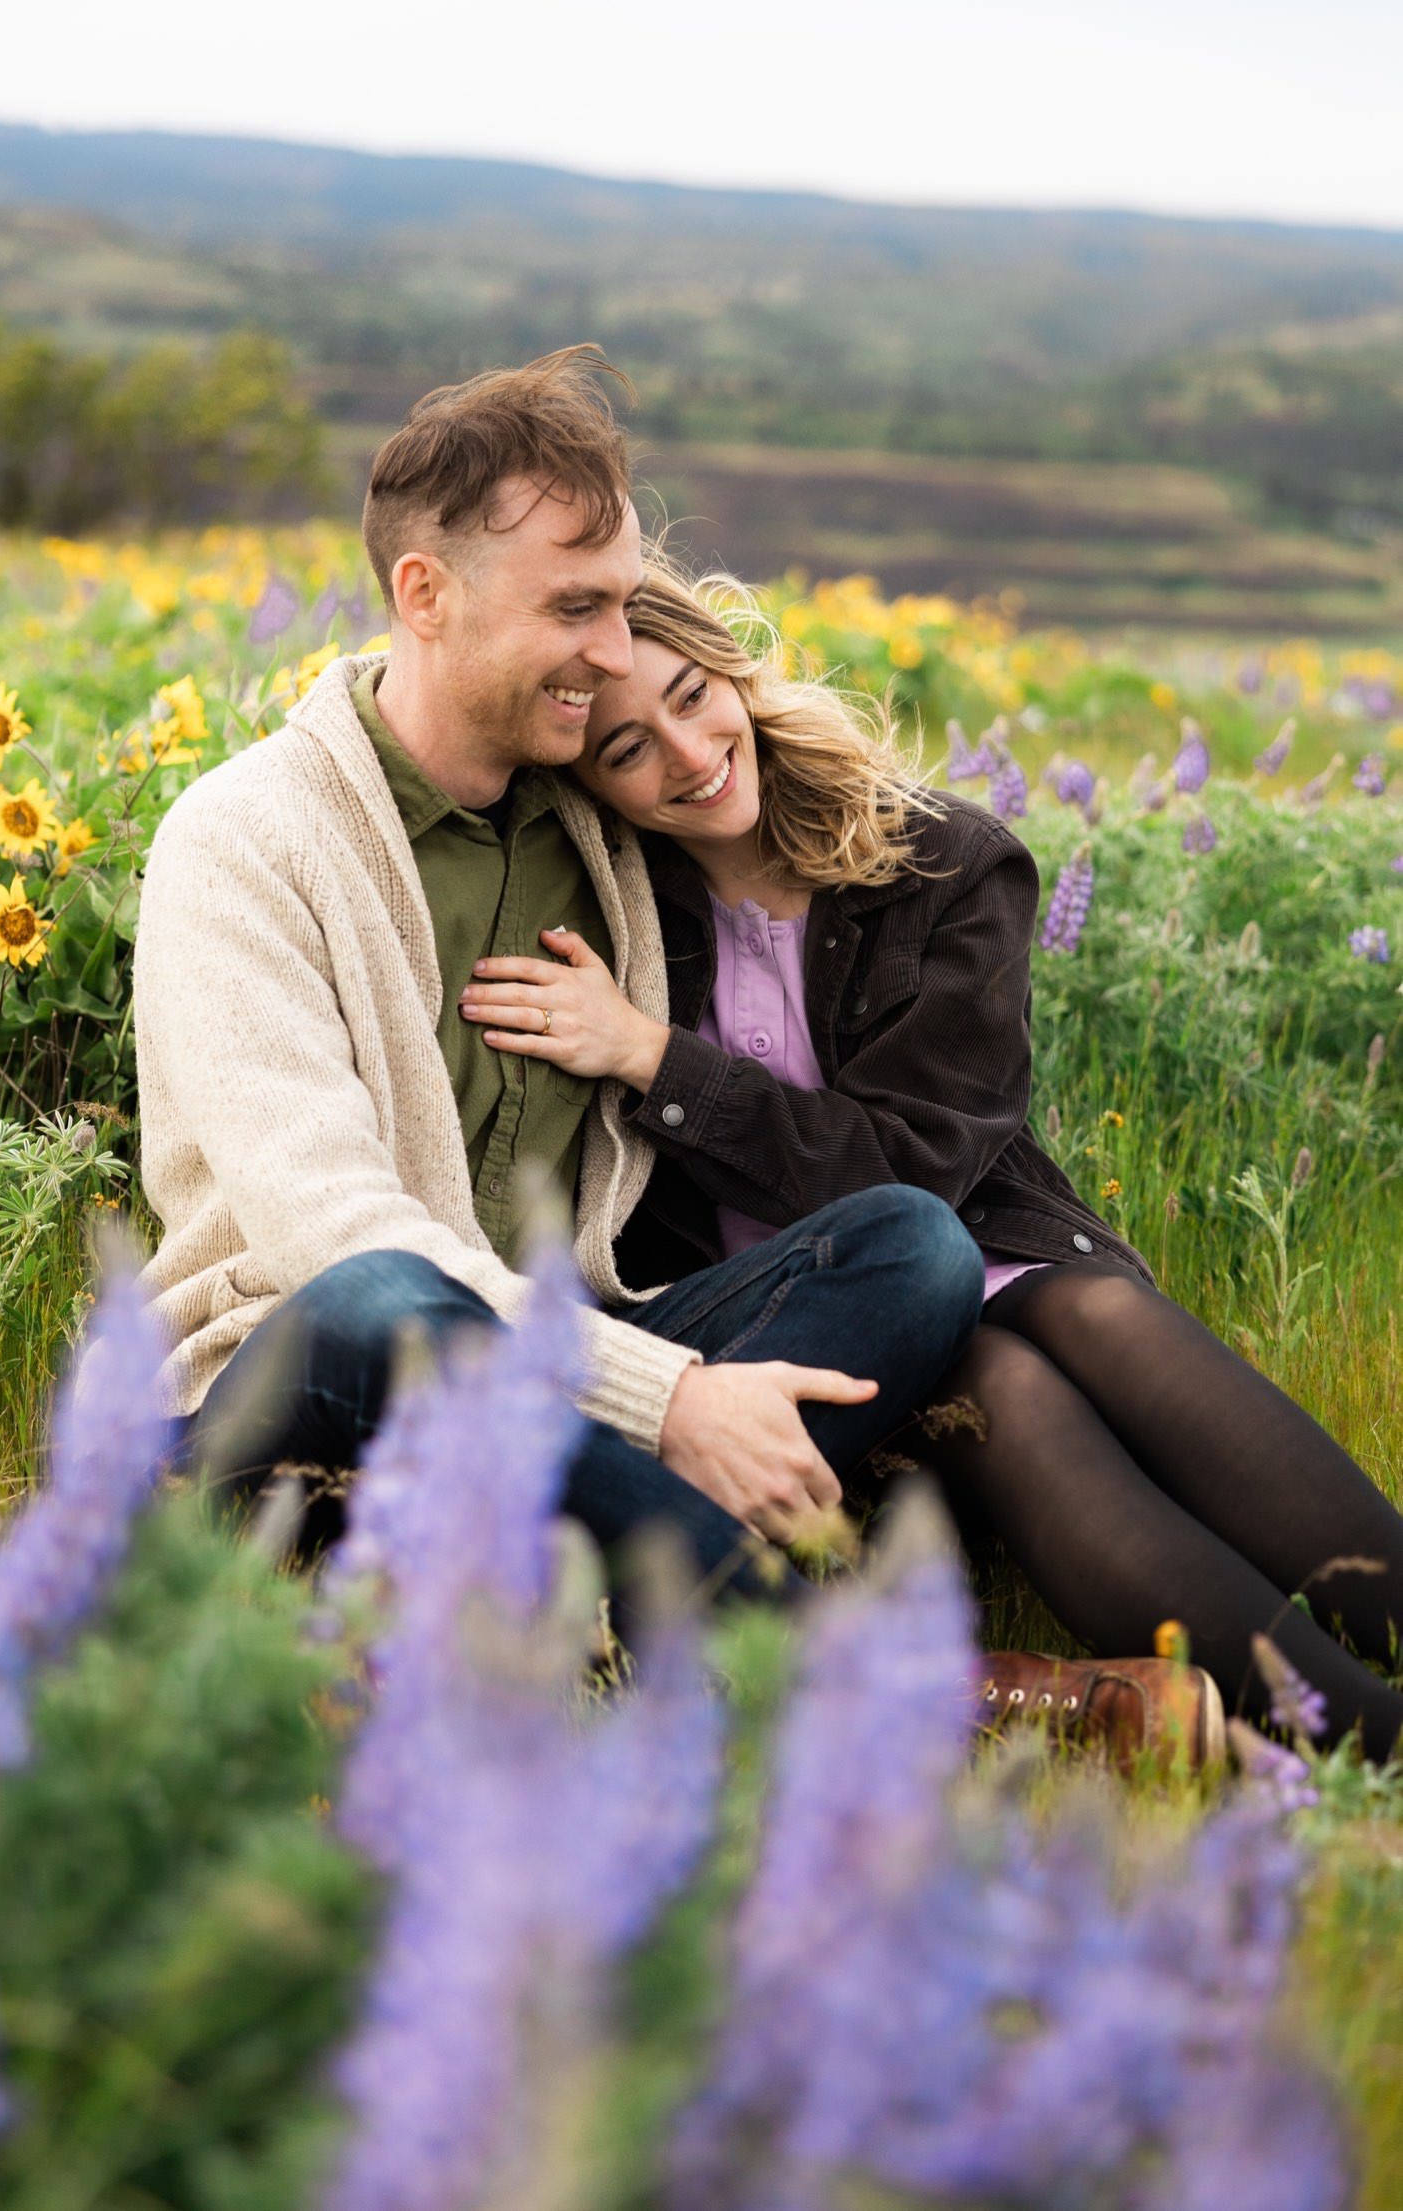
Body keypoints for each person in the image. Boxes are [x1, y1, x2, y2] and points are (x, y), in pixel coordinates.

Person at [457, 555, 1403, 1761]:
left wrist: (656, 1058)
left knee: (1082, 1321)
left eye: (694, 696)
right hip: (798, 1332)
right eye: (628, 748)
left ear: (737, 674)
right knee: (998, 1374)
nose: (689, 754)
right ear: (594, 785)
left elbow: (909, 1179)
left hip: (969, 1247)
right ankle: (1373, 1738)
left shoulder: (947, 865)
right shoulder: (616, 912)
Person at [131, 348, 988, 1610]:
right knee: (384, 1302)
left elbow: (745, 809)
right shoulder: (243, 841)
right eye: (574, 608)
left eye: (623, 599)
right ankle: (853, 1663)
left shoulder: (596, 819)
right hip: (286, 1392)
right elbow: (335, 1240)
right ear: (425, 594)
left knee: (910, 1248)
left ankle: (541, 1586)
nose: (615, 644)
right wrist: (674, 1400)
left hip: (556, 1363)